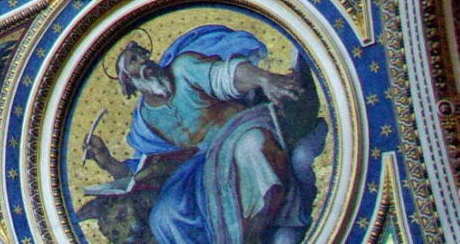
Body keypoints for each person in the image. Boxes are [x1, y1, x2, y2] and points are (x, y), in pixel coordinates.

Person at [78, 27, 323, 244]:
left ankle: (254, 235)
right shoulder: (145, 120)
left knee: (251, 147)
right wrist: (106, 160)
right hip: (202, 164)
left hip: (243, 126)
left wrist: (264, 79)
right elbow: (142, 169)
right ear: (127, 81)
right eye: (134, 60)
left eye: (142, 54)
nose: (144, 61)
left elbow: (226, 76)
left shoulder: (183, 68)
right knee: (165, 215)